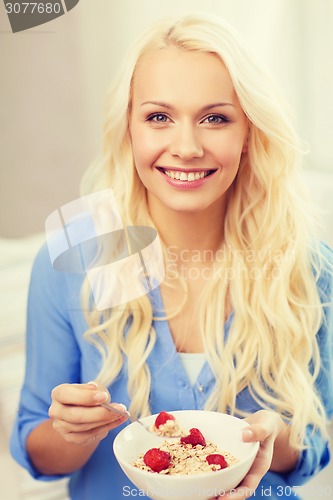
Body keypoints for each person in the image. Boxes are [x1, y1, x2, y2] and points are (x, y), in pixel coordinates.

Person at [10, 13, 333, 500]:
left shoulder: (308, 265)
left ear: (248, 135)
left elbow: (313, 449)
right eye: (159, 117)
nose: (186, 147)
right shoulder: (72, 258)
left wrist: (274, 439)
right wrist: (70, 430)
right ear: (129, 129)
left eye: (216, 118)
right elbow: (37, 453)